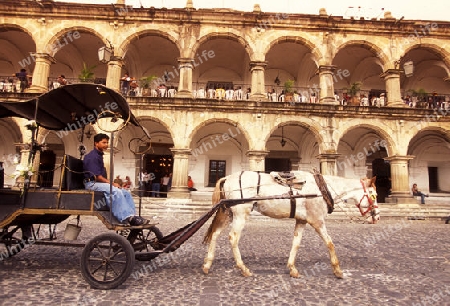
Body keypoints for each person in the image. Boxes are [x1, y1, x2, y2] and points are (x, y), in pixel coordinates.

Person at [83, 133, 149, 226]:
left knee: (125, 192)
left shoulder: (99, 155)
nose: (106, 145)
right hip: (91, 184)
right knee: (115, 191)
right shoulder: (92, 156)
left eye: (107, 142)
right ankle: (125, 217)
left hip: (97, 183)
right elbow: (97, 177)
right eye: (104, 142)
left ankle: (132, 216)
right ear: (96, 143)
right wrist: (112, 183)